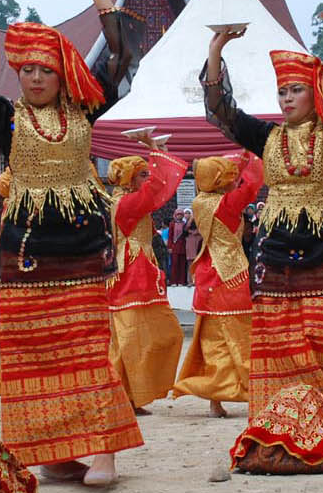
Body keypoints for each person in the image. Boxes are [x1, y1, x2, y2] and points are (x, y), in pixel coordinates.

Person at [0, 0, 143, 487]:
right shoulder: (5, 117)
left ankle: (104, 451)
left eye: (45, 70)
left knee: (86, 346)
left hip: (78, 246)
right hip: (25, 251)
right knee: (33, 351)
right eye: (27, 70)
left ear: (62, 75)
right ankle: (52, 451)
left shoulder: (84, 111)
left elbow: (121, 59)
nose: (35, 78)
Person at [201, 21, 323, 446]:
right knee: (277, 342)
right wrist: (216, 48)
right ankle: (282, 422)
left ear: (314, 95)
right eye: (283, 92)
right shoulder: (267, 136)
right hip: (274, 252)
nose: (288, 98)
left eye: (296, 90)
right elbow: (223, 111)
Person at [173, 153, 263, 416]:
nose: (234, 180)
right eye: (230, 176)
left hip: (207, 271)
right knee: (243, 336)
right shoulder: (226, 205)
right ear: (220, 180)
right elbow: (253, 185)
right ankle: (253, 390)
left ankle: (216, 399)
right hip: (231, 274)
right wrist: (254, 155)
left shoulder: (200, 201)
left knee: (213, 339)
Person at [106, 137, 188, 413]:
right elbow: (158, 188)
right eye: (142, 174)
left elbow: (157, 187)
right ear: (129, 178)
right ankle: (124, 397)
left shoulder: (128, 200)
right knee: (132, 340)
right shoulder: (127, 204)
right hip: (132, 273)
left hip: (138, 270)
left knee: (138, 339)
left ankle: (128, 396)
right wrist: (156, 151)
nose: (148, 178)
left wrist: (158, 152)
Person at [168, 209, 190, 286]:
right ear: (175, 215)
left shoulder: (184, 224)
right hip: (174, 247)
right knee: (174, 264)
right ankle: (173, 281)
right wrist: (169, 247)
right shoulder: (172, 224)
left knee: (182, 264)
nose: (179, 216)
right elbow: (170, 236)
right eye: (178, 214)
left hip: (183, 247)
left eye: (181, 214)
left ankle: (181, 281)